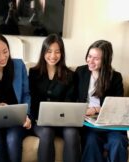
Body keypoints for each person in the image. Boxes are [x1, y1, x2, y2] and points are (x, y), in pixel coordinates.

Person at [0, 31, 31, 162]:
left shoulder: (19, 66)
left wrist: (27, 115)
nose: (3, 57)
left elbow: (26, 94)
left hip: (16, 119)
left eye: (5, 51)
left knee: (13, 140)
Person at [29, 33, 80, 162]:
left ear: (62, 53)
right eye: (49, 51)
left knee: (72, 133)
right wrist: (35, 117)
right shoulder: (34, 73)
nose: (53, 56)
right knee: (47, 132)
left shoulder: (70, 75)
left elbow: (70, 101)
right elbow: (31, 98)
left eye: (57, 52)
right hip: (40, 121)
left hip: (63, 121)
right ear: (43, 52)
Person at [74, 40, 129, 162]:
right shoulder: (80, 72)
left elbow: (117, 106)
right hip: (88, 123)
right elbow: (73, 97)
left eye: (96, 59)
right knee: (91, 141)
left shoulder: (115, 77)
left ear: (105, 60)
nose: (91, 61)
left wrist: (94, 109)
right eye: (89, 56)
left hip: (110, 122)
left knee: (118, 142)